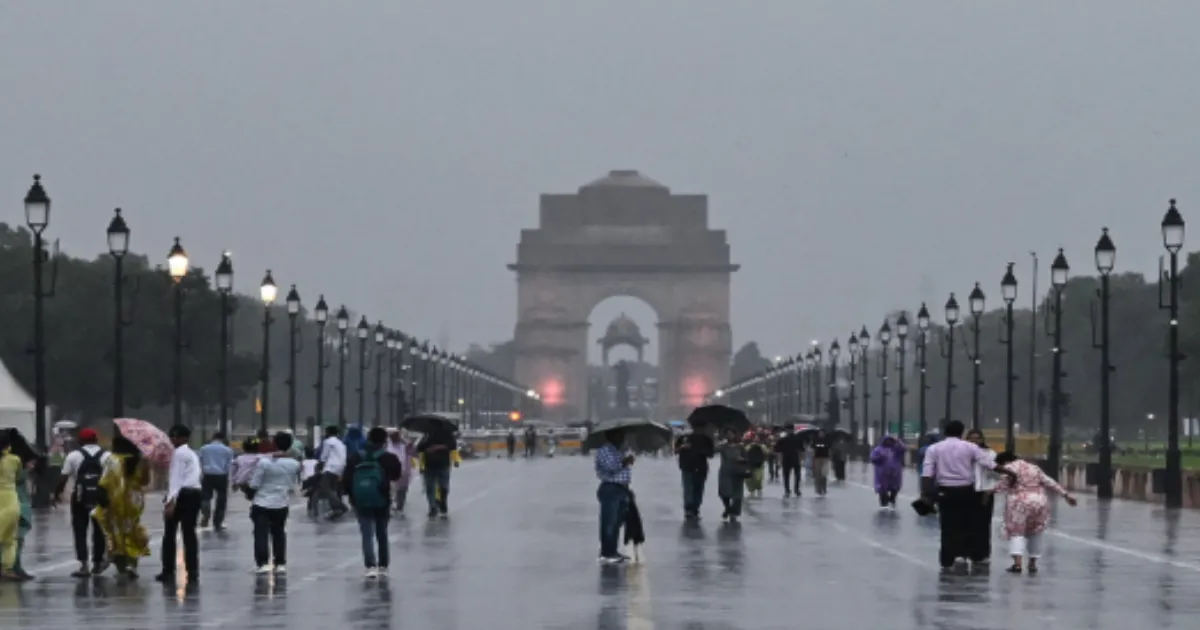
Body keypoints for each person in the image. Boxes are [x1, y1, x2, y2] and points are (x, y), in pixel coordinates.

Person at [920, 420, 998, 571]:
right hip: (965, 491)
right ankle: (961, 555)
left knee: (947, 525)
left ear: (944, 432)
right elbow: (991, 465)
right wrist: (1010, 472)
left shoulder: (934, 448)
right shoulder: (970, 448)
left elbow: (927, 473)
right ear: (962, 433)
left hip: (945, 491)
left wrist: (926, 493)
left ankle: (948, 559)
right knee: (963, 523)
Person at [992, 452, 1077, 574]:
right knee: (1036, 532)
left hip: (1019, 502)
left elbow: (1002, 485)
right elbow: (1050, 482)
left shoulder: (1009, 468)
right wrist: (1066, 495)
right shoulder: (1034, 468)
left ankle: (1017, 564)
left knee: (1016, 532)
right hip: (1039, 501)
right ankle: (1032, 564)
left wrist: (988, 492)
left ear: (1003, 462)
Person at [343, 427, 403, 578]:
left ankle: (370, 566)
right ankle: (383, 566)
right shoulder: (389, 457)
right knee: (382, 532)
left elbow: (347, 479)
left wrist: (352, 496)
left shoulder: (356, 456)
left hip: (360, 499)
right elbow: (397, 476)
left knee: (366, 533)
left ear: (368, 439)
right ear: (385, 441)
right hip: (382, 498)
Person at [53, 427, 110, 577]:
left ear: (80, 440)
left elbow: (64, 478)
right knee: (99, 530)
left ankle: (84, 565)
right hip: (101, 498)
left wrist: (57, 494)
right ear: (96, 440)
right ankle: (97, 563)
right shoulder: (107, 456)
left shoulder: (73, 455)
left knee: (80, 531)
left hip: (79, 497)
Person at [92, 434, 151, 579]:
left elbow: (103, 481)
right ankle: (132, 564)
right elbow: (145, 482)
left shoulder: (112, 460)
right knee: (131, 530)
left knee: (116, 533)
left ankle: (121, 567)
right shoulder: (140, 460)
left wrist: (102, 499)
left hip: (115, 500)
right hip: (134, 501)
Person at [248, 432, 302, 574]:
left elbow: (254, 484)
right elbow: (293, 485)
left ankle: (263, 563)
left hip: (262, 502)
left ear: (274, 444)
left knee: (261, 533)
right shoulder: (294, 464)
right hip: (281, 503)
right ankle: (280, 563)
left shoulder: (264, 462)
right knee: (279, 532)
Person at [156, 424, 203, 586]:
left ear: (184, 438)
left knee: (170, 534)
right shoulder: (191, 453)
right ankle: (193, 570)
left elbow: (176, 479)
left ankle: (168, 570)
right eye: (172, 436)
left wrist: (170, 501)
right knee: (189, 534)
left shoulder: (179, 454)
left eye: (176, 436)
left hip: (183, 495)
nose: (173, 439)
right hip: (194, 494)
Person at [594, 428, 633, 564]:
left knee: (617, 521)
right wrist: (624, 462)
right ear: (611, 435)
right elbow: (610, 468)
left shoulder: (619, 450)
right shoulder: (604, 450)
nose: (623, 437)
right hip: (610, 488)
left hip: (622, 488)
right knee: (609, 522)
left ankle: (613, 550)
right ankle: (607, 553)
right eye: (620, 434)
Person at [966, 428, 999, 563]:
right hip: (967, 490)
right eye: (971, 438)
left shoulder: (990, 453)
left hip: (985, 492)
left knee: (984, 524)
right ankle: (967, 551)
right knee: (967, 523)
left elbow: (996, 473)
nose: (974, 441)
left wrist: (990, 489)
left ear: (982, 439)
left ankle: (983, 553)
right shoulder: (963, 453)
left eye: (977, 438)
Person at [0, 432, 27, 582]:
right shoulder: (15, 460)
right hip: (10, 500)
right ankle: (7, 569)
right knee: (9, 539)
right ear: (8, 445)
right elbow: (19, 478)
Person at [418, 426, 461, 518]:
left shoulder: (445, 436)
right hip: (432, 465)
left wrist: (438, 447)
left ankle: (440, 504)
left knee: (440, 487)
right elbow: (419, 448)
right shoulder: (427, 436)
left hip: (441, 465)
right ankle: (434, 507)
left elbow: (453, 447)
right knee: (433, 487)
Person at [674, 429, 714, 521]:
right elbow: (676, 450)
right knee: (689, 488)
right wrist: (682, 447)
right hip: (687, 467)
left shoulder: (705, 439)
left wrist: (700, 451)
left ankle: (694, 509)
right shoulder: (684, 437)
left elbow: (711, 454)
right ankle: (689, 509)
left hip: (700, 467)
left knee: (697, 489)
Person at [198, 432, 235, 530]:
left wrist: (201, 474)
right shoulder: (228, 450)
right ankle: (218, 522)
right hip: (221, 476)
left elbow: (200, 462)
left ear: (213, 437)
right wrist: (230, 479)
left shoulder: (204, 448)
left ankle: (206, 513)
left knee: (205, 496)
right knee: (221, 499)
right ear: (223, 439)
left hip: (207, 475)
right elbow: (229, 465)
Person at [316, 425, 349, 520]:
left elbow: (324, 456)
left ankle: (341, 506)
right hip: (340, 468)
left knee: (325, 487)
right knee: (332, 488)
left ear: (328, 433)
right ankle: (335, 509)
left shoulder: (328, 441)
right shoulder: (341, 443)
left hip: (331, 467)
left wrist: (320, 465)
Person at [717, 430, 747, 523]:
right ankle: (728, 508)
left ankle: (734, 512)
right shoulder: (723, 446)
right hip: (725, 471)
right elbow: (713, 450)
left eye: (731, 433)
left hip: (737, 472)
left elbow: (747, 458)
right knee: (724, 491)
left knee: (737, 493)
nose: (729, 436)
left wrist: (742, 460)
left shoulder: (740, 447)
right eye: (727, 434)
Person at [870, 435, 906, 508]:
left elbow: (903, 448)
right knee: (882, 490)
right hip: (882, 474)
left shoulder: (896, 449)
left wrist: (898, 441)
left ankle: (892, 500)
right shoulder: (878, 450)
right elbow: (873, 458)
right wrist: (880, 457)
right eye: (887, 440)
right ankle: (884, 502)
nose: (889, 442)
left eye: (890, 440)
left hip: (895, 474)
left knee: (894, 489)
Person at [385, 429, 415, 516]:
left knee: (402, 490)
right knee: (390, 490)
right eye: (392, 435)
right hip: (390, 471)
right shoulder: (387, 445)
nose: (394, 437)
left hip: (404, 472)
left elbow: (414, 453)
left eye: (396, 435)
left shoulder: (405, 445)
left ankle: (399, 507)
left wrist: (411, 447)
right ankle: (391, 506)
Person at [774, 427, 804, 497]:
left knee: (788, 475)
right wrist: (801, 459)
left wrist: (779, 460)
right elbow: (802, 450)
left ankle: (789, 489)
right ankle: (794, 489)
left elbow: (777, 450)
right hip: (792, 458)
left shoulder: (784, 439)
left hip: (788, 458)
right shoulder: (797, 438)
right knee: (795, 475)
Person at [743, 434, 768, 499]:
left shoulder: (762, 446)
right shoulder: (748, 446)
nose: (756, 439)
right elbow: (744, 452)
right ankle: (751, 490)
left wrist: (760, 447)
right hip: (750, 464)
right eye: (755, 438)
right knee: (749, 479)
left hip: (759, 465)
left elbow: (766, 452)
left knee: (758, 478)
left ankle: (759, 488)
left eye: (757, 438)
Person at [809, 429, 832, 497]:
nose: (821, 434)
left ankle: (824, 487)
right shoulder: (815, 440)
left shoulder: (827, 440)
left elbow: (830, 449)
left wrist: (830, 458)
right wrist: (812, 458)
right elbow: (812, 449)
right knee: (818, 474)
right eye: (820, 433)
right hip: (817, 458)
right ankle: (818, 488)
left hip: (825, 458)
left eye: (822, 433)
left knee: (824, 474)